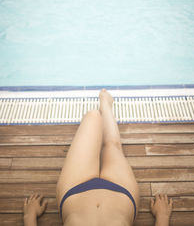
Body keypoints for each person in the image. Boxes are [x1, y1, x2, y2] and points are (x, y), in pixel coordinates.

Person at [23, 89, 173, 226]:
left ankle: (102, 110)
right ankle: (106, 104)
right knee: (112, 146)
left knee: (93, 116)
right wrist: (163, 216)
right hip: (121, 194)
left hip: (74, 191)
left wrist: (29, 216)